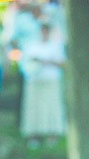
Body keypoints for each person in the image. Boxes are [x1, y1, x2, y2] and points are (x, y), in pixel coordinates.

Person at [20, 19, 65, 147]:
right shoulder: (30, 45)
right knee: (34, 108)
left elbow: (62, 63)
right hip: (35, 80)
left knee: (51, 107)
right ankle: (34, 136)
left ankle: (52, 135)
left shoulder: (56, 46)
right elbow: (25, 64)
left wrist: (46, 62)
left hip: (51, 79)